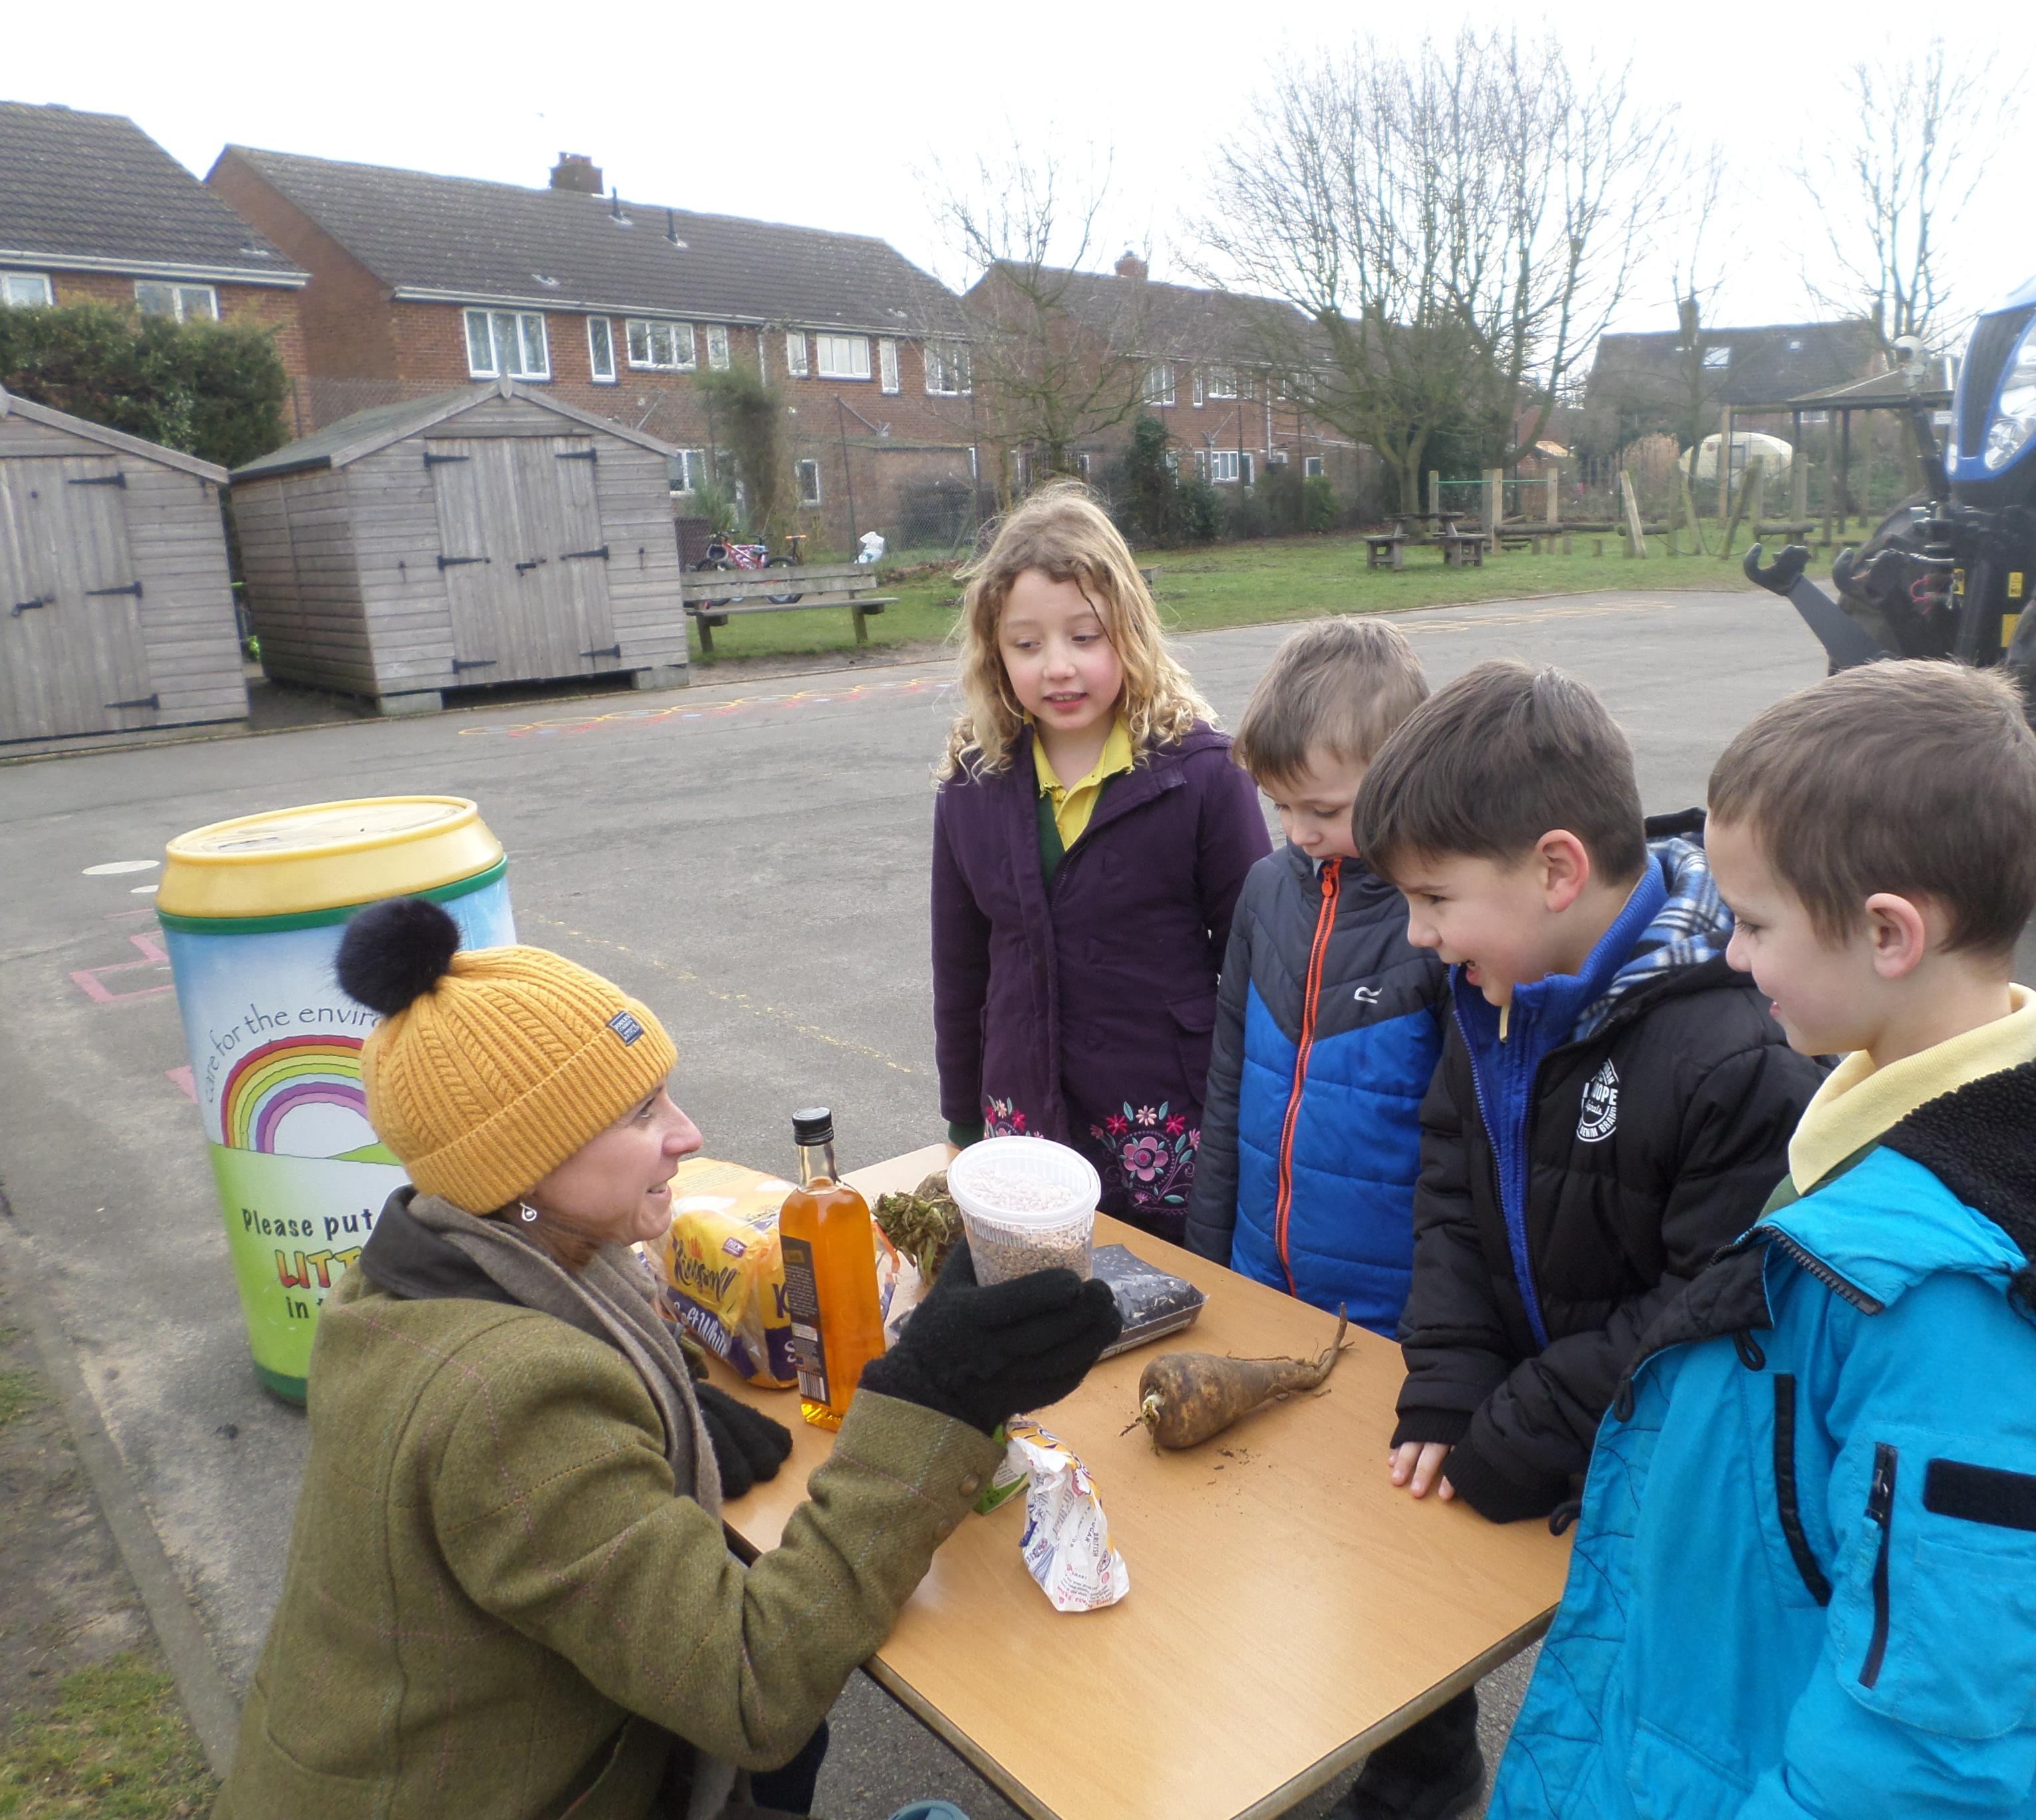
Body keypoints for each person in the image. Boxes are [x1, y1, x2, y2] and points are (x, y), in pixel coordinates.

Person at [1487, 661, 2036, 1820]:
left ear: (1886, 933)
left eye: (1755, 923)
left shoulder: (1948, 1304)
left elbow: (1927, 1735)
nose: (1733, 956)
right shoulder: (1961, 1127)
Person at [216, 897, 1119, 1820]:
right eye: (641, 1113)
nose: (688, 1134)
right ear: (523, 1167)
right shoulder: (508, 1400)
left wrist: (663, 1402)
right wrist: (934, 1399)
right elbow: (751, 1686)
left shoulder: (432, 1268)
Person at [1348, 661, 1821, 1820]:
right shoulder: (1492, 984)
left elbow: (1703, 1305)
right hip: (1541, 1427)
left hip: (1672, 1476)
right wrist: (1450, 1378)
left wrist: (1527, 1422)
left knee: (1640, 1714)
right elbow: (1450, 1189)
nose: (1417, 935)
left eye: (1434, 897)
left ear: (1557, 870)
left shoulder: (1734, 1052)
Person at [930, 482, 1269, 1239]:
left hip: (1170, 1129)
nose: (1058, 667)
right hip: (1023, 1125)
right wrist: (962, 1122)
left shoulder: (1206, 776)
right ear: (994, 652)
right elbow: (960, 971)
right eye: (1027, 645)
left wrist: (1257, 1121)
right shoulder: (971, 785)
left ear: (1130, 632)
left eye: (1085, 637)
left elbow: (1255, 966)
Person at [1184, 615, 1443, 1326]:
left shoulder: (1439, 920)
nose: (1299, 832)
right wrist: (1206, 1269)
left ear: (1403, 773)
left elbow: (1467, 1154)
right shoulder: (1264, 892)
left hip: (1389, 1314)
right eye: (1281, 806)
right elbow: (1227, 1091)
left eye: (1324, 810)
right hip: (1255, 1284)